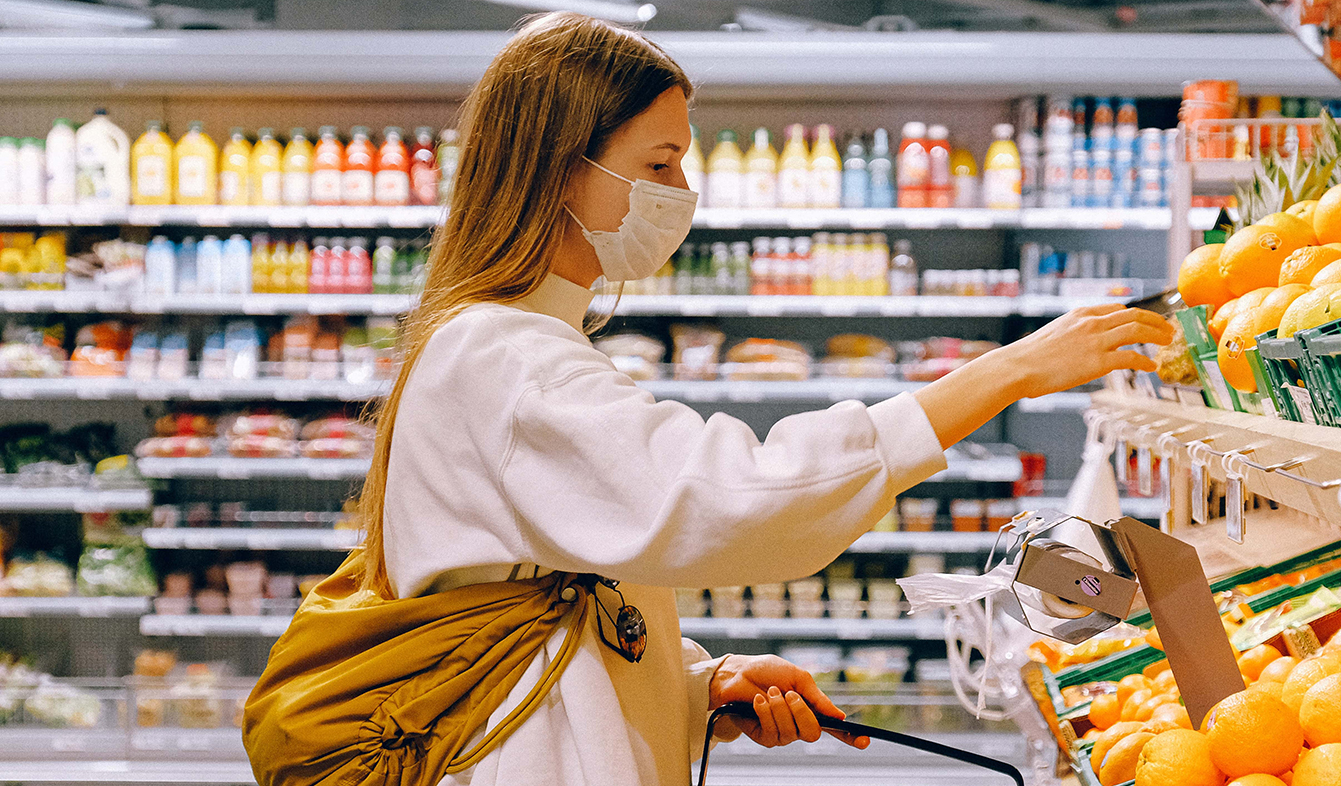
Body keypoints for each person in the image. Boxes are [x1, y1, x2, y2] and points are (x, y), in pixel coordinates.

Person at [348, 12, 1173, 786]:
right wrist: (1007, 372)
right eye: (658, 164)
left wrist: (698, 684)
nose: (681, 191)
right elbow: (726, 498)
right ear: (561, 166)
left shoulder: (510, 340)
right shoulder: (503, 357)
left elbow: (548, 600)